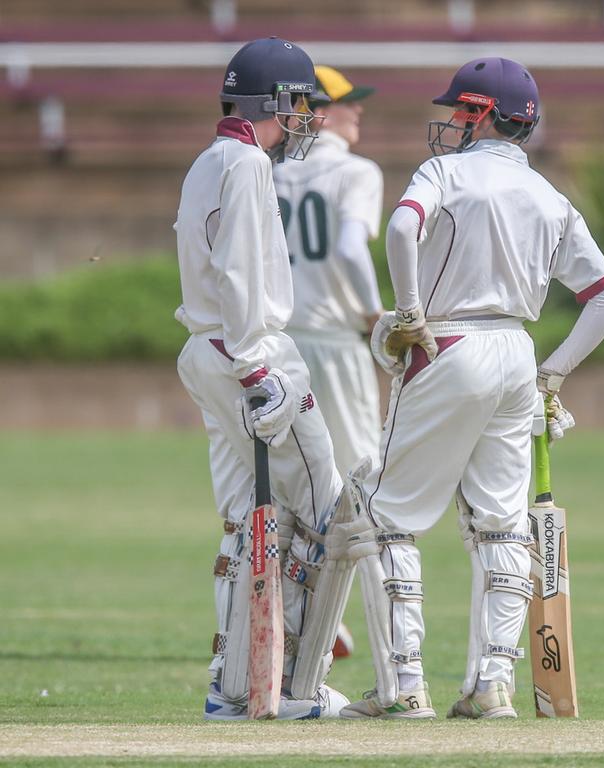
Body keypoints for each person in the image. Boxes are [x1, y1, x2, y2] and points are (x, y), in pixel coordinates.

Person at [339, 57, 604, 719]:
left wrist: (409, 313)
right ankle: (490, 684)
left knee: (386, 519)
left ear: (481, 111)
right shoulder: (552, 197)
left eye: (458, 111)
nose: (449, 123)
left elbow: (404, 227)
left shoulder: (444, 172)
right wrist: (553, 374)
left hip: (449, 344)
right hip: (517, 356)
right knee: (500, 527)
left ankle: (403, 686)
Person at [174, 37, 350, 720]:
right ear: (274, 103)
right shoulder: (248, 162)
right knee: (330, 512)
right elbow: (241, 267)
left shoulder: (205, 160)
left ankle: (235, 685)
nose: (305, 118)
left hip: (204, 350)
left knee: (244, 521)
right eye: (300, 103)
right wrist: (257, 368)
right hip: (253, 354)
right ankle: (295, 684)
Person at [273, 65, 385, 479]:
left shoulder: (273, 173)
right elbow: (351, 249)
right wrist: (375, 315)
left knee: (297, 480)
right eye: (347, 102)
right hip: (337, 343)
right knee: (362, 473)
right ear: (319, 111)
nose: (358, 110)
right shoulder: (358, 171)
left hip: (283, 346)